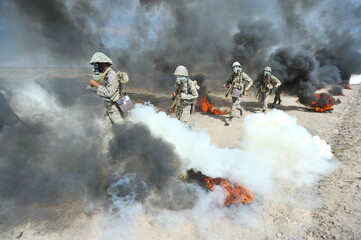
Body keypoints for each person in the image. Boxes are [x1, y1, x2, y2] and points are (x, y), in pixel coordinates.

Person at [89, 52, 124, 127]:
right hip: (110, 108)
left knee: (121, 130)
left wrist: (96, 85)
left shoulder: (111, 75)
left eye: (96, 65)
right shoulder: (107, 74)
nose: (95, 68)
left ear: (103, 64)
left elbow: (109, 92)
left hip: (115, 109)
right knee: (106, 131)